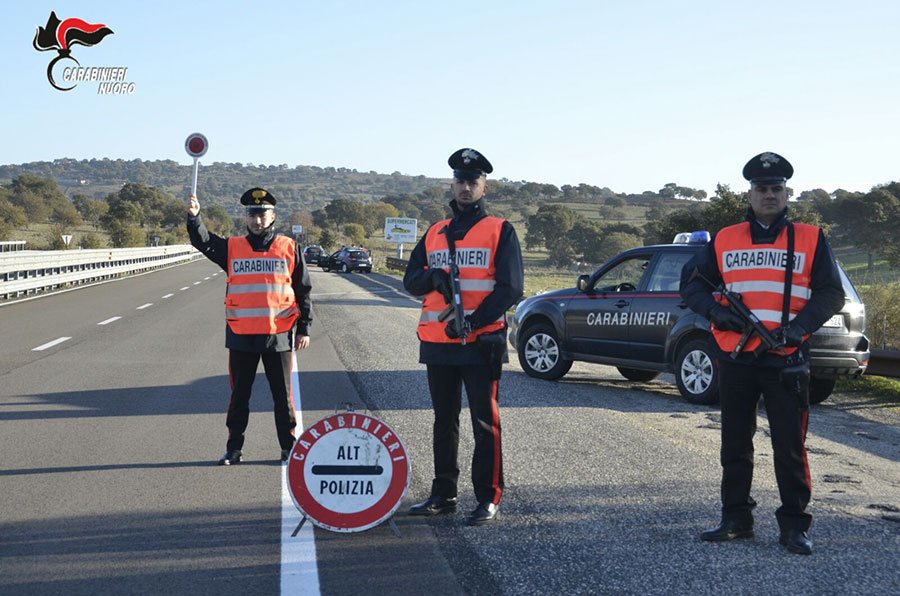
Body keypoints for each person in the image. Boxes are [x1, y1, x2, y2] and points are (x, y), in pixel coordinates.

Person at [680, 152, 844, 555]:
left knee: (789, 446)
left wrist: (798, 329)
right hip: (735, 357)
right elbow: (693, 286)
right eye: (760, 189)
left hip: (786, 357)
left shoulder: (810, 237)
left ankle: (795, 526)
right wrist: (718, 313)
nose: (768, 195)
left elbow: (831, 293)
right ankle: (736, 519)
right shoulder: (725, 237)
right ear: (749, 194)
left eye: (775, 189)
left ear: (787, 193)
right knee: (735, 444)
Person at [403, 148, 524, 526]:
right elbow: (411, 280)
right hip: (438, 341)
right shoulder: (435, 231)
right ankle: (443, 493)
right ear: (452, 185)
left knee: (484, 423)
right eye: (460, 181)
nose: (466, 187)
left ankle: (488, 496)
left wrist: (473, 321)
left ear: (484, 187)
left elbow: (510, 289)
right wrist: (433, 278)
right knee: (444, 420)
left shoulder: (499, 230)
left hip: (480, 342)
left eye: (473, 182)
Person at [187, 187, 312, 465]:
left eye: (262, 214)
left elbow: (302, 290)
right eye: (252, 214)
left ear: (273, 216)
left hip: (278, 336)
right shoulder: (232, 248)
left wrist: (304, 327)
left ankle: (288, 448)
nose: (257, 220)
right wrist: (195, 219)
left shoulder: (289, 247)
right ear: (246, 217)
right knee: (239, 397)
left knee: (283, 397)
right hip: (242, 336)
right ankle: (234, 449)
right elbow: (203, 241)